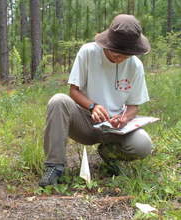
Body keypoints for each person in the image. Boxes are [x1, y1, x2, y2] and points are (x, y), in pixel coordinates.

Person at [39, 14, 152, 187]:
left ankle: (109, 153)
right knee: (58, 101)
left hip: (115, 129)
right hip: (84, 121)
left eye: (125, 55)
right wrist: (92, 106)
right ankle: (54, 166)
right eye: (115, 51)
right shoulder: (89, 52)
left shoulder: (135, 65)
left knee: (143, 145)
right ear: (107, 42)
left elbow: (133, 106)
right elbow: (73, 91)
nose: (119, 57)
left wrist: (125, 118)